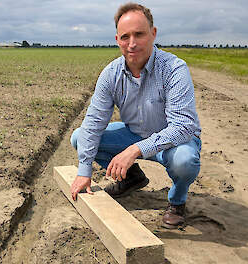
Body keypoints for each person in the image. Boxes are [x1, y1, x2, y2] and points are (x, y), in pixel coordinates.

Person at [69, 2, 201, 229]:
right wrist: (84, 171)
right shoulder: (111, 74)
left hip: (172, 142)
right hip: (134, 134)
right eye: (125, 36)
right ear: (117, 39)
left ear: (153, 33)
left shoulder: (174, 69)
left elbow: (183, 127)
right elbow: (93, 123)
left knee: (185, 161)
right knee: (79, 138)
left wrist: (135, 150)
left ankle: (177, 201)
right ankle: (132, 178)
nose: (132, 43)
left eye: (139, 34)